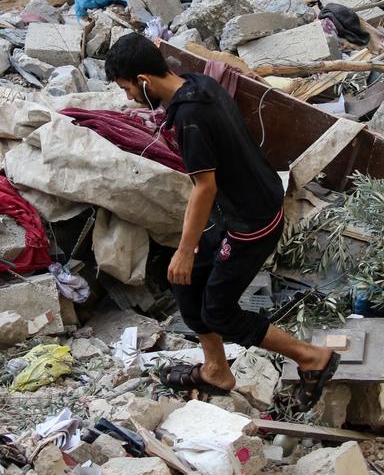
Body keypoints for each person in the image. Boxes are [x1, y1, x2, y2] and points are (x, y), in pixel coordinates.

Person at [104, 33, 339, 407]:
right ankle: (216, 368)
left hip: (251, 222)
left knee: (219, 311)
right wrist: (184, 254)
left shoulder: (190, 117)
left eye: (127, 88)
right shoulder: (199, 84)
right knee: (183, 277)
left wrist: (184, 248)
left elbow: (204, 187)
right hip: (239, 206)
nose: (128, 97)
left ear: (144, 81)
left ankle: (313, 358)